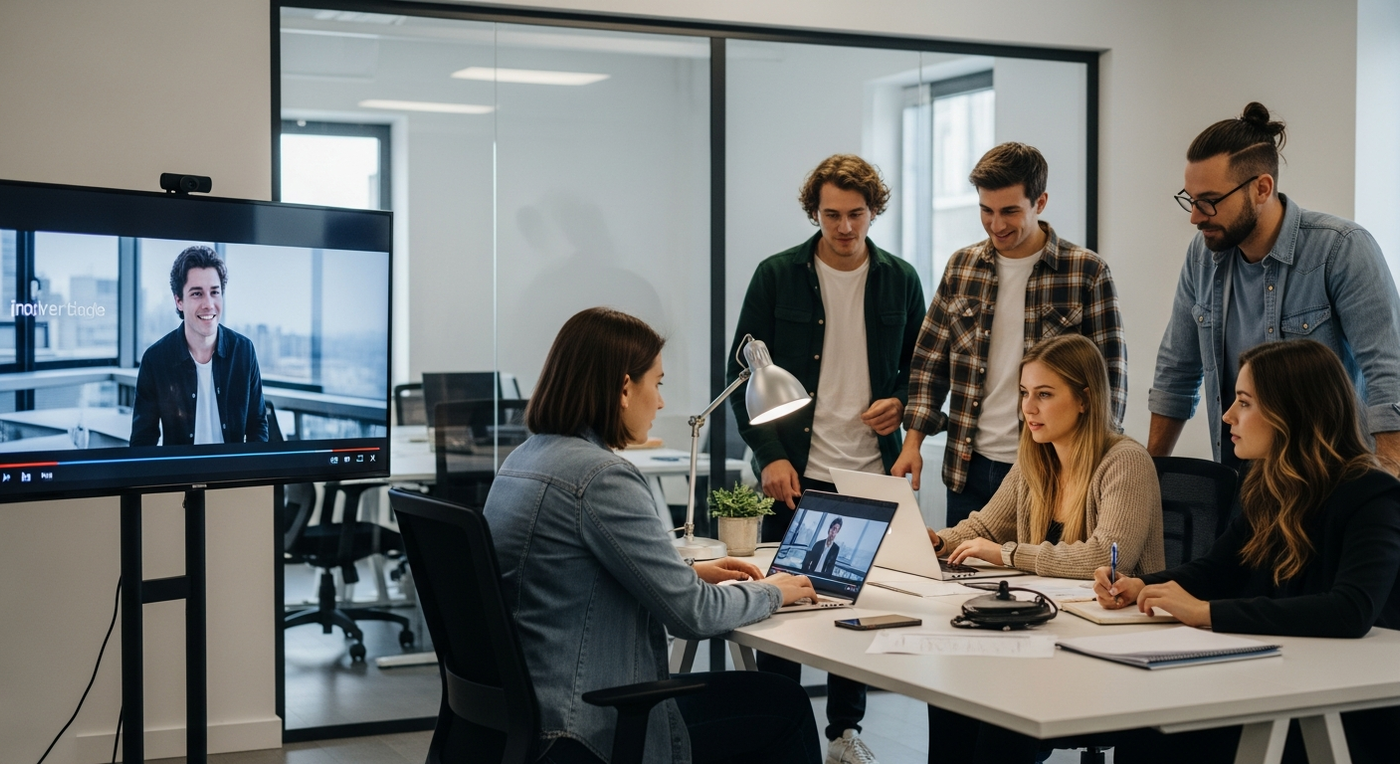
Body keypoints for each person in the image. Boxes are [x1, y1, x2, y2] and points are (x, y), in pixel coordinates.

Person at [485, 307, 822, 764]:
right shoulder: (600, 476)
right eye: (657, 384)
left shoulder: (523, 461)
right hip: (590, 722)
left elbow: (571, 578)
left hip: (521, 714)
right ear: (625, 388)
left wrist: (688, 570)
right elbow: (693, 615)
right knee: (784, 703)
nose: (661, 403)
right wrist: (772, 591)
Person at [1100, 339, 1400, 764]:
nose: (1227, 416)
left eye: (1244, 403)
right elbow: (1217, 570)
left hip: (1345, 702)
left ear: (1291, 412)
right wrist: (1139, 585)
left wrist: (1206, 613)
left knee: (1168, 734)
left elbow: (1349, 611)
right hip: (1279, 674)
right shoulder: (1266, 486)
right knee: (1148, 728)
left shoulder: (1373, 495)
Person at [728, 153, 924, 764]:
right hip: (796, 466)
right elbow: (741, 373)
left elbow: (923, 373)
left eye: (856, 215)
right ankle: (777, 733)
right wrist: (769, 454)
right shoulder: (777, 274)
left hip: (870, 467)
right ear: (815, 212)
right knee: (784, 605)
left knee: (855, 608)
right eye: (832, 215)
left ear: (874, 212)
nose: (844, 228)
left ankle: (845, 733)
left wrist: (903, 405)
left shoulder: (900, 278)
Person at [923, 333, 1163, 764]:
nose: (1027, 408)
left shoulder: (1125, 461)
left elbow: (1102, 558)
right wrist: (939, 541)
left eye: (1044, 394)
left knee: (1000, 704)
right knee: (951, 691)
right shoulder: (1037, 458)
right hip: (1047, 634)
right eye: (1024, 394)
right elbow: (984, 527)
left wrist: (1009, 555)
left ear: (1085, 399)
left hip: (1108, 647)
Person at [1149, 102, 1400, 476]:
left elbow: (1388, 373)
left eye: (1209, 202)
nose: (1195, 216)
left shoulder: (1341, 248)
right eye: (1190, 199)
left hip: (1331, 483)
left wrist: (1387, 486)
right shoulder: (1202, 257)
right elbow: (1176, 372)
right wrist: (1152, 477)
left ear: (1262, 188)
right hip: (1244, 485)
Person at [894, 142, 1127, 529]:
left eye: (1010, 211)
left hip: (1050, 472)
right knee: (961, 581)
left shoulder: (1086, 272)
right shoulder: (962, 267)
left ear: (1041, 202)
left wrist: (1094, 468)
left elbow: (1109, 381)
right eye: (986, 210)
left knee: (1041, 583)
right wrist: (913, 443)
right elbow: (930, 362)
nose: (996, 225)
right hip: (967, 469)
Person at [130, 245, 267, 447]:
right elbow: (142, 442)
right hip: (179, 476)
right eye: (197, 294)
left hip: (233, 476)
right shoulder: (155, 359)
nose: (209, 304)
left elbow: (258, 428)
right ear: (179, 301)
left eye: (214, 292)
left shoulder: (244, 351)